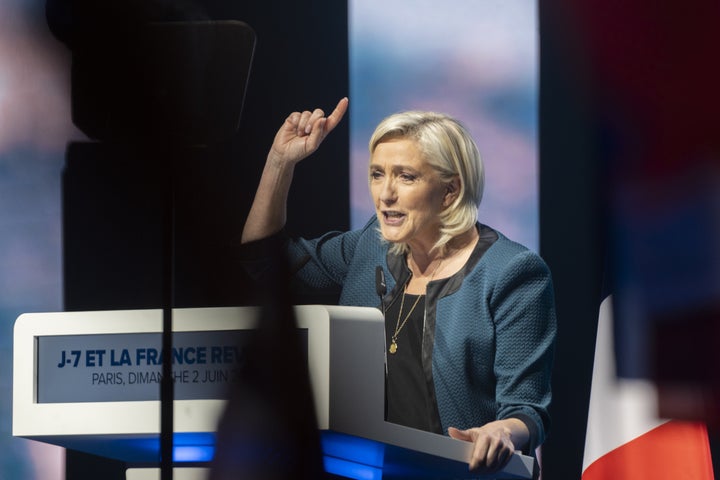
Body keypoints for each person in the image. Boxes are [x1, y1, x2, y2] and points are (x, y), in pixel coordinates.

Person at [241, 97, 556, 475]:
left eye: (406, 176)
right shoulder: (368, 247)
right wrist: (280, 162)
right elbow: (262, 262)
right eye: (377, 174)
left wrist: (502, 431)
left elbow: (527, 410)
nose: (385, 193)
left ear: (450, 192)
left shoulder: (513, 272)